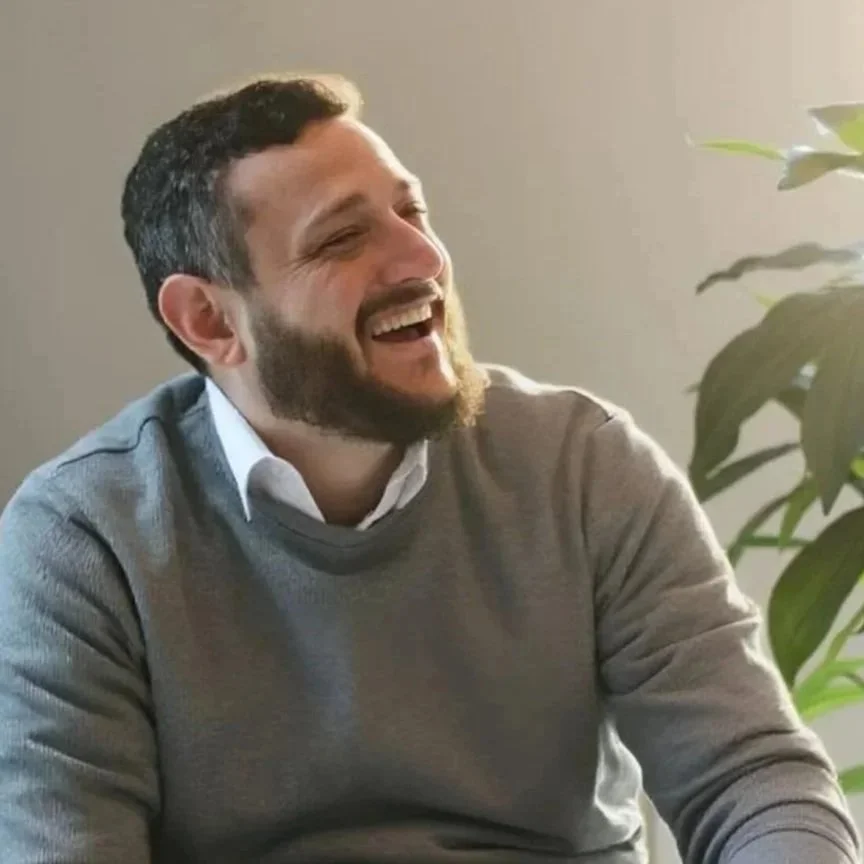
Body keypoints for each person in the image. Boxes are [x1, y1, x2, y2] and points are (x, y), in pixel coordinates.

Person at [0, 73, 859, 864]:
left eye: (413, 214)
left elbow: (749, 781)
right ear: (209, 320)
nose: (422, 262)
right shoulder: (84, 540)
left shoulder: (583, 466)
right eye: (342, 238)